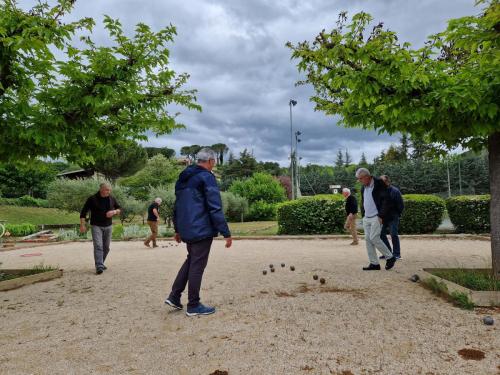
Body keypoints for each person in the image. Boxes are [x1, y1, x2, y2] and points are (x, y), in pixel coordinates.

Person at [165, 148, 232, 317]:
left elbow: (177, 205)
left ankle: (174, 296)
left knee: (191, 260)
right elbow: (214, 206)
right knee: (197, 265)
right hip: (201, 228)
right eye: (214, 161)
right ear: (210, 161)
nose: (214, 164)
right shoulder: (206, 177)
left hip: (187, 228)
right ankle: (193, 304)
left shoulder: (183, 177)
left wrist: (178, 229)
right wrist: (226, 232)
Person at [355, 168, 397, 271]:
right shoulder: (363, 187)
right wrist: (364, 214)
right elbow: (364, 200)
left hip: (377, 217)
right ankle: (374, 263)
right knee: (368, 240)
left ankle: (390, 257)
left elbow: (386, 200)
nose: (359, 181)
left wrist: (381, 216)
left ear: (367, 177)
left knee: (374, 237)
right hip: (367, 217)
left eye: (360, 179)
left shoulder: (379, 183)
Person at [80, 183, 121, 274]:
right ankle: (99, 266)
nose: (109, 192)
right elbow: (83, 212)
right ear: (101, 189)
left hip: (108, 226)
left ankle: (101, 263)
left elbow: (119, 209)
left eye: (109, 190)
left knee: (106, 247)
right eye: (107, 190)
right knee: (98, 246)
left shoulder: (111, 198)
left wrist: (114, 212)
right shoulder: (92, 199)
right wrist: (82, 225)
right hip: (96, 225)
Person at [379, 175, 404, 260]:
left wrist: (397, 214)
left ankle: (396, 254)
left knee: (393, 234)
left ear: (387, 182)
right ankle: (388, 253)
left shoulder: (395, 191)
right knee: (381, 234)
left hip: (393, 216)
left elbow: (400, 205)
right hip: (383, 217)